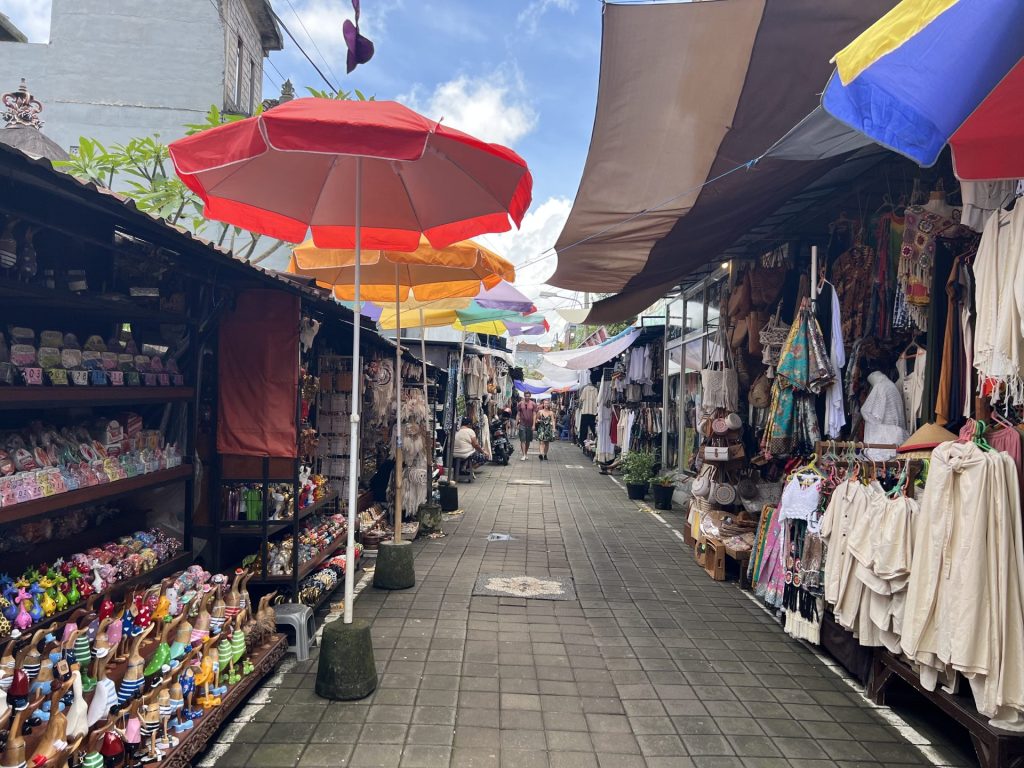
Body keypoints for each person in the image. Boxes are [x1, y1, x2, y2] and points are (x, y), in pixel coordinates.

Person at [516, 391, 538, 461]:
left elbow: (534, 414)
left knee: (528, 440)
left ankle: (525, 453)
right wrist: (516, 423)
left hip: (530, 424)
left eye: (528, 396)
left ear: (530, 396)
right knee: (522, 440)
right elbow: (518, 414)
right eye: (526, 396)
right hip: (522, 424)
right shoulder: (520, 404)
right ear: (524, 396)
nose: (527, 397)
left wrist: (534, 425)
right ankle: (523, 455)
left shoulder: (533, 404)